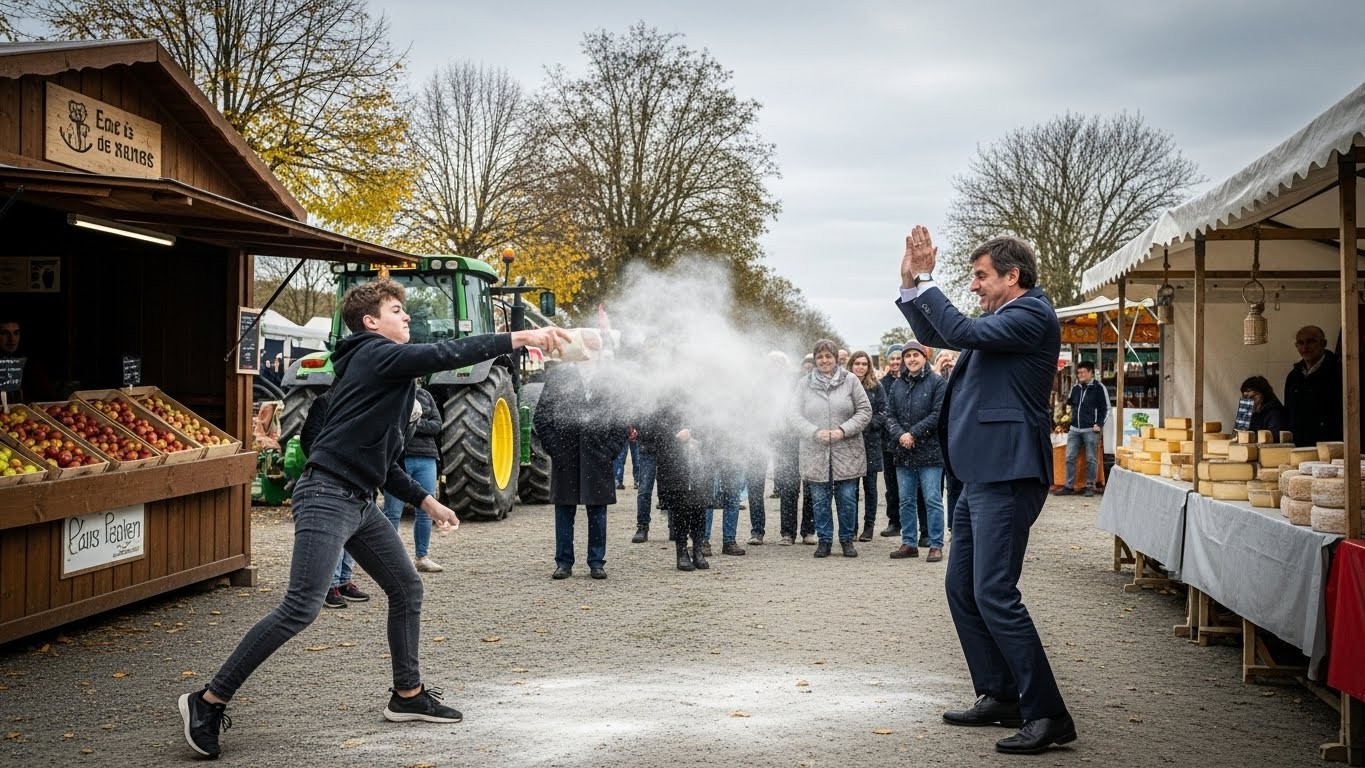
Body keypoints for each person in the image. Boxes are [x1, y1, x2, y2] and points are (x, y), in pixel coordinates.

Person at [178, 278, 569, 759]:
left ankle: (407, 695)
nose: (406, 317)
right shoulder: (372, 354)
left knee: (407, 588)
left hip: (358, 501)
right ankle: (207, 700)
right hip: (325, 496)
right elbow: (443, 353)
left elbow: (384, 464)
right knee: (301, 607)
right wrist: (519, 337)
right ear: (370, 322)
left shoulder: (391, 378)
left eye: (405, 310)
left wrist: (428, 501)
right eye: (396, 310)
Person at [898, 226, 1074, 754]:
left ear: (1011, 276)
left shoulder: (1032, 314)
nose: (974, 285)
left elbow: (958, 330)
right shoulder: (1002, 319)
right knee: (962, 588)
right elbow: (945, 334)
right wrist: (910, 287)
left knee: (995, 591)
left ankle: (1047, 713)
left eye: (980, 276)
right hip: (980, 475)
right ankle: (999, 693)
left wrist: (927, 279)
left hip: (1008, 472)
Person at [534, 339, 629, 581]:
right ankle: (563, 562)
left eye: (594, 349)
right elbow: (542, 417)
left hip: (598, 456)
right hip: (566, 455)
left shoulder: (611, 380)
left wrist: (610, 451)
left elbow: (620, 420)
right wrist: (555, 449)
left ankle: (596, 562)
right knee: (564, 511)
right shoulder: (558, 377)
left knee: (597, 512)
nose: (589, 354)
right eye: (586, 349)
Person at [790, 339, 872, 558]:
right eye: (820, 357)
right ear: (815, 360)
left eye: (828, 356)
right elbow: (793, 415)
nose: (824, 360)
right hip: (815, 451)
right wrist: (814, 431)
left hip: (847, 450)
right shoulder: (804, 384)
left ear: (836, 358)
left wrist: (843, 430)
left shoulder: (851, 380)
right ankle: (824, 540)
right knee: (819, 499)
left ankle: (846, 540)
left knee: (846, 498)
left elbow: (864, 411)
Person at [884, 340, 948, 562]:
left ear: (924, 357)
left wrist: (913, 434)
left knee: (932, 499)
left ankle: (935, 543)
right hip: (903, 452)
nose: (911, 359)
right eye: (908, 355)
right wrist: (901, 434)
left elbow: (937, 414)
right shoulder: (897, 385)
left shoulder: (937, 383)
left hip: (929, 452)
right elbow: (889, 414)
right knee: (906, 500)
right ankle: (909, 542)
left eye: (916, 355)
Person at [639, 397, 717, 571]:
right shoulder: (659, 400)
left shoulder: (702, 397)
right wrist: (674, 435)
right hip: (673, 464)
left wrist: (693, 432)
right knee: (681, 509)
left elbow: (713, 425)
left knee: (699, 508)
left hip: (700, 464)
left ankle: (698, 550)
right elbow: (647, 431)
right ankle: (681, 552)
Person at [382, 383, 444, 573]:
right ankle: (388, 560)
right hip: (398, 459)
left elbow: (437, 425)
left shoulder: (424, 395)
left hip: (426, 457)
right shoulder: (389, 391)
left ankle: (422, 557)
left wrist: (413, 422)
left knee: (426, 510)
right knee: (392, 512)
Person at [847, 351, 887, 542]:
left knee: (870, 488)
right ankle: (851, 527)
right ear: (851, 365)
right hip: (850, 443)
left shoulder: (876, 387)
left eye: (864, 364)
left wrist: (867, 424)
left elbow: (883, 412)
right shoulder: (844, 385)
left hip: (870, 442)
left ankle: (868, 527)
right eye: (857, 364)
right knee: (851, 488)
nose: (861, 367)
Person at [1284, 325, 1342, 447]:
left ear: (1323, 343)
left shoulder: (1339, 372)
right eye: (1300, 342)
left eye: (1310, 341)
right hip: (1300, 446)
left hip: (1331, 446)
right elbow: (1288, 412)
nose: (1305, 347)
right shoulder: (1293, 376)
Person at [1057, 360, 1107, 498]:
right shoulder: (1076, 388)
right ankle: (1068, 486)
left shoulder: (1099, 388)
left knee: (1091, 458)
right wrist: (1065, 420)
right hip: (1074, 429)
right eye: (1079, 372)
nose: (1080, 375)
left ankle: (1090, 486)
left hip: (1091, 429)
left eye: (1083, 372)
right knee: (1069, 457)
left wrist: (1099, 424)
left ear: (1091, 373)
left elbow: (1105, 408)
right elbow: (1070, 405)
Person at [879, 345, 904, 537]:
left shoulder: (909, 379)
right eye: (892, 359)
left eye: (898, 358)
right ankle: (894, 521)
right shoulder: (883, 383)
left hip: (909, 439)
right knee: (891, 485)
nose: (895, 362)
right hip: (888, 442)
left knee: (912, 486)